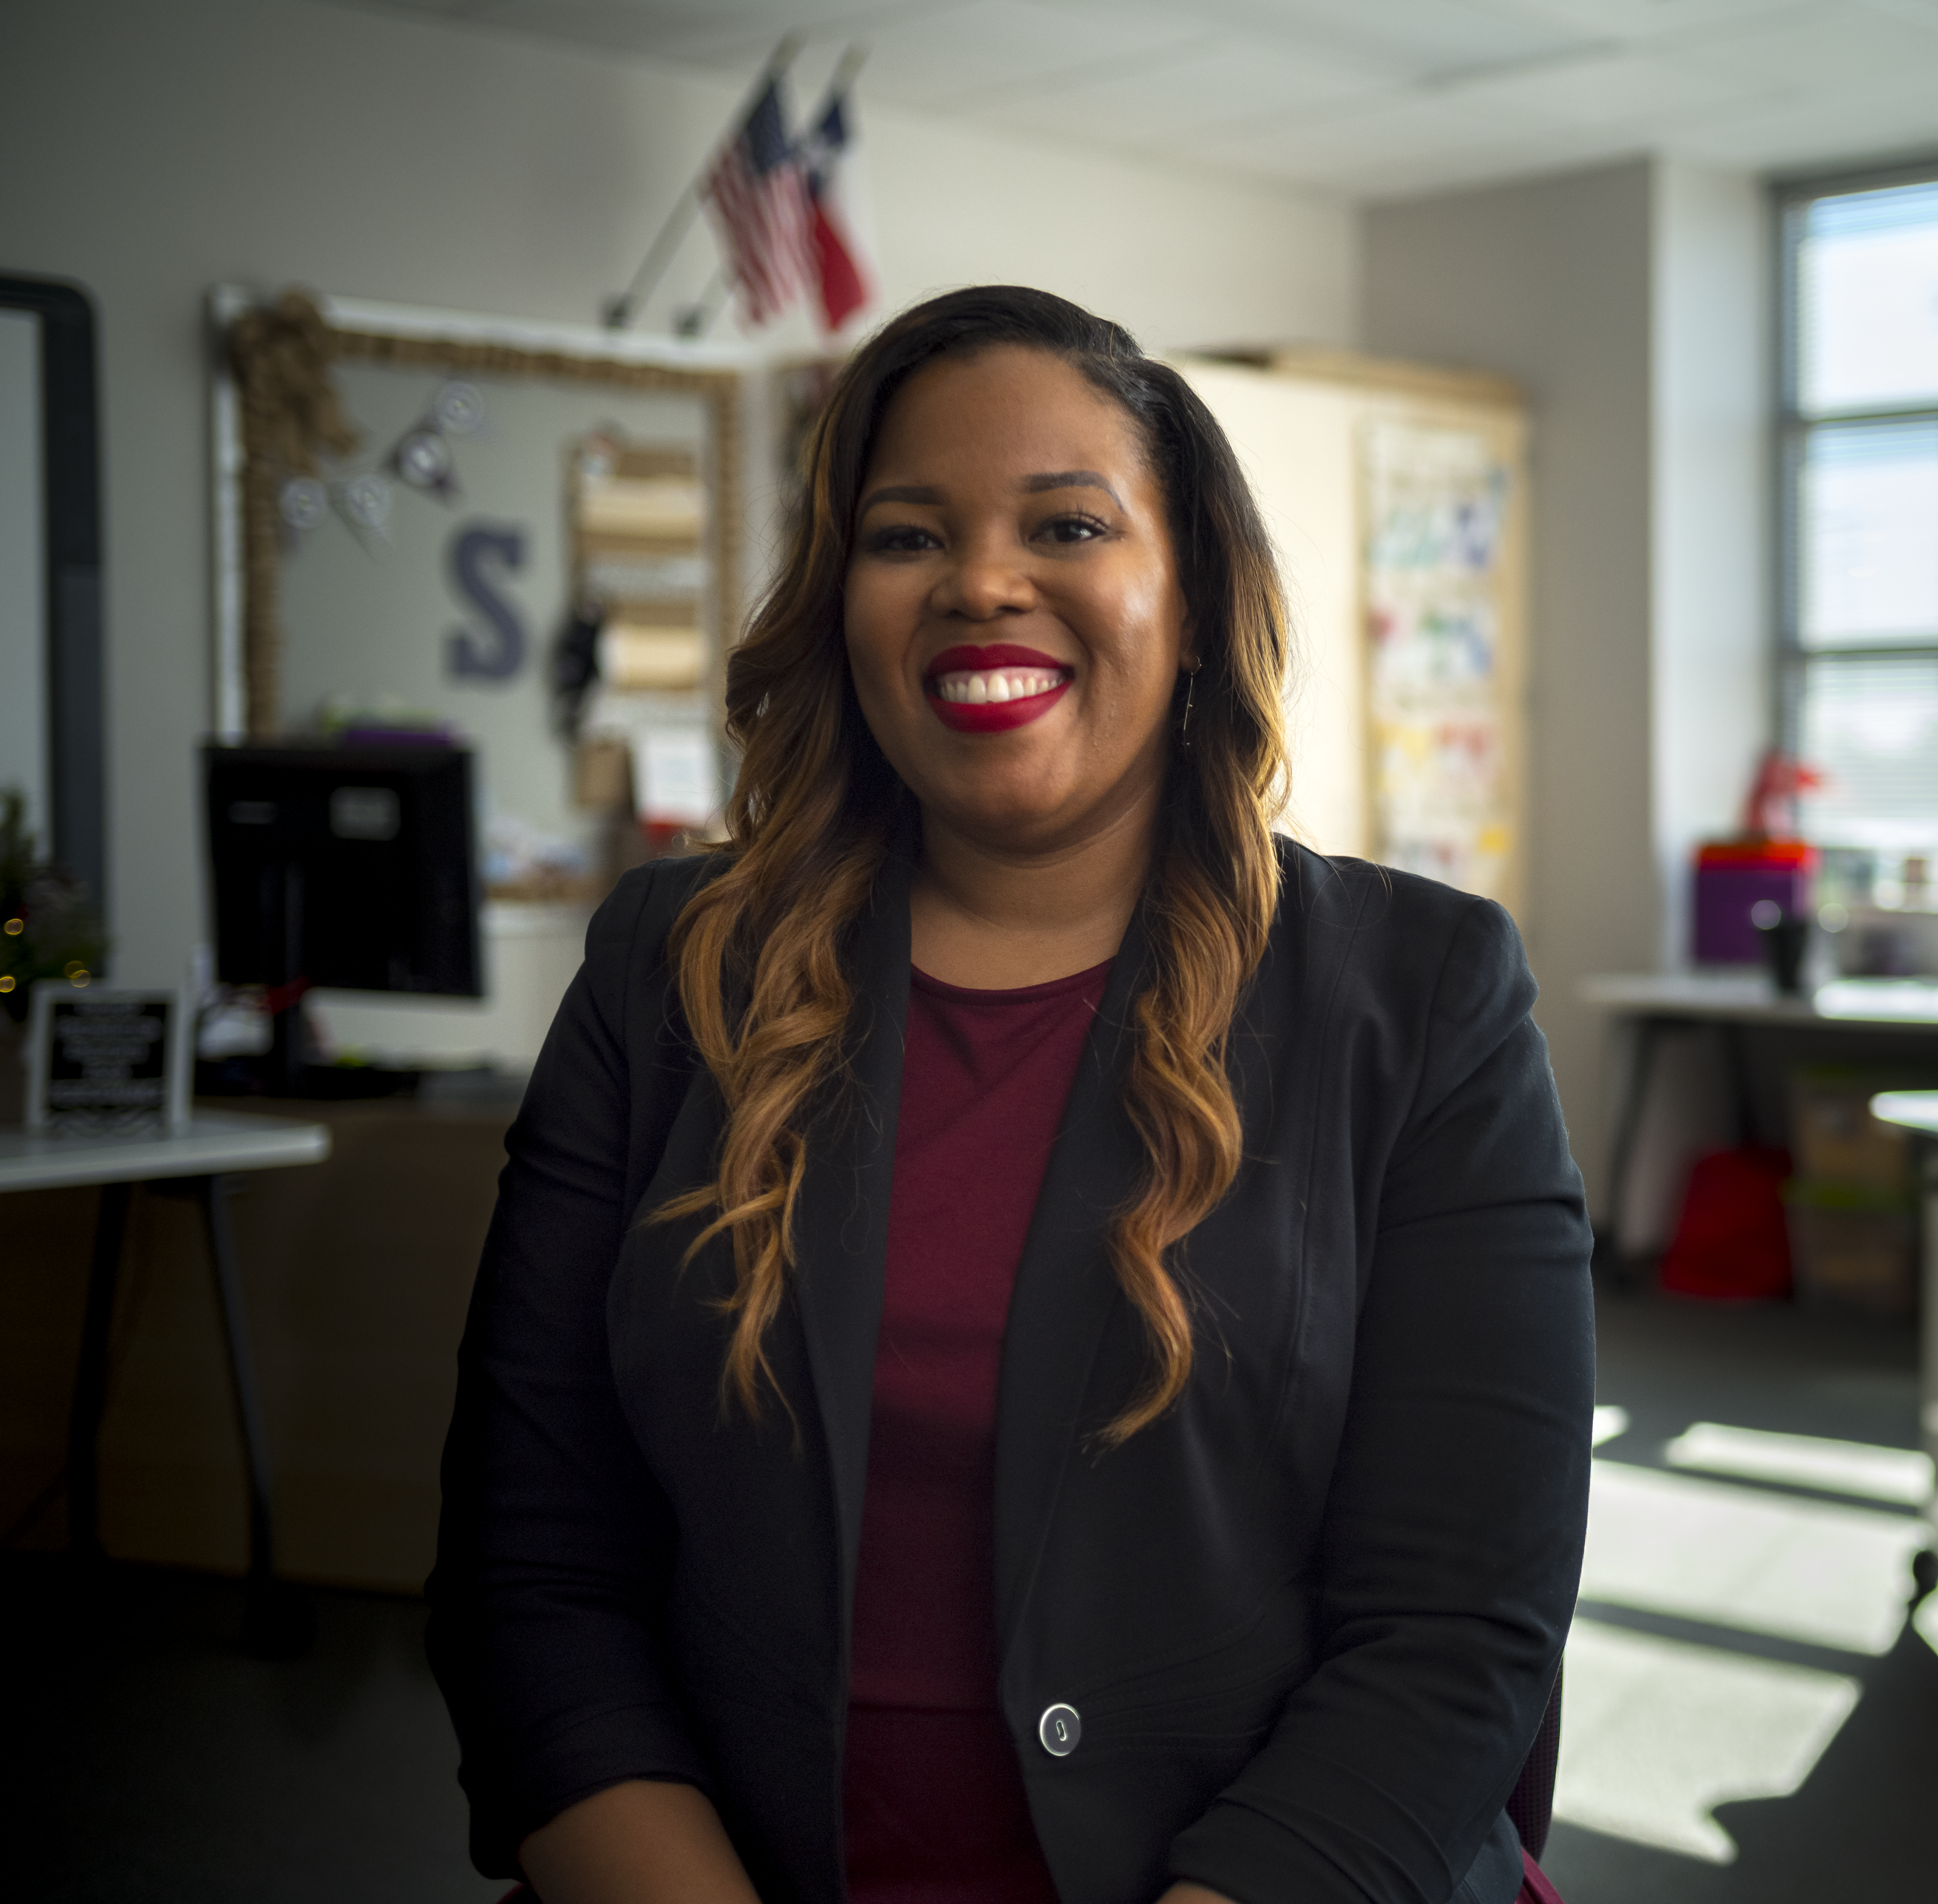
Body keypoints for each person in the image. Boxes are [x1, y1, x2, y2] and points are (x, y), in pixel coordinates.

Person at [427, 286, 1594, 1904]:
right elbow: (534, 1575)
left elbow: (1455, 1635)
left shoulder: (1419, 994)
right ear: (841, 605)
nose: (980, 583)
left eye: (1066, 523)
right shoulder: (668, 971)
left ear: (1189, 596)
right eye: (906, 537)